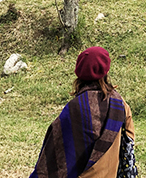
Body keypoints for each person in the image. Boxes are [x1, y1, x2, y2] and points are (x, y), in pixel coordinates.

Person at [29, 46, 135, 178]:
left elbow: (56, 154)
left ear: (79, 72)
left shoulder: (77, 107)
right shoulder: (120, 103)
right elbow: (129, 138)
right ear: (106, 70)